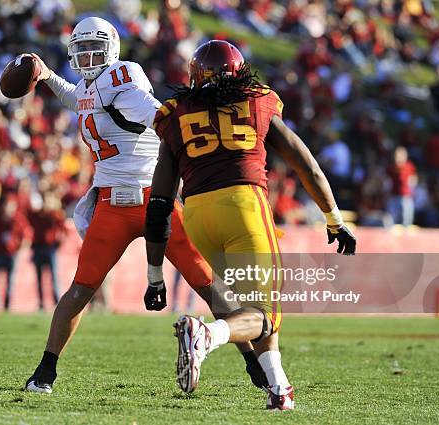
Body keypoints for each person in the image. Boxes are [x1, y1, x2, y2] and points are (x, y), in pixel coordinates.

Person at [24, 17, 267, 395]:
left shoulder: (123, 81)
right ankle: (44, 372)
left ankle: (258, 365)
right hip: (111, 206)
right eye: (82, 49)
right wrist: (46, 76)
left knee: (207, 284)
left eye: (94, 49)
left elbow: (159, 116)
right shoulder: (92, 86)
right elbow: (78, 98)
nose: (87, 56)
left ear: (112, 50)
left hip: (156, 199)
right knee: (80, 289)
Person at [145, 40, 356, 409]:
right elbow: (305, 163)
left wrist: (154, 275)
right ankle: (206, 336)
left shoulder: (176, 113)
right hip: (242, 204)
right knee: (266, 314)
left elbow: (160, 203)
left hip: (196, 214)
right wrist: (334, 219)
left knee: (250, 304)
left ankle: (279, 390)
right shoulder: (256, 100)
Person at [0, 195, 32, 311]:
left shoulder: (19, 219)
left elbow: (27, 236)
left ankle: (7, 304)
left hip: (12, 254)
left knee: (10, 281)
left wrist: (20, 250)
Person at [27, 191, 67, 310]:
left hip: (50, 248)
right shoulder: (37, 214)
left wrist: (58, 242)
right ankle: (41, 302)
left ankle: (56, 302)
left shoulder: (54, 214)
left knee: (53, 277)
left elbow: (63, 228)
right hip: (38, 247)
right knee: (39, 277)